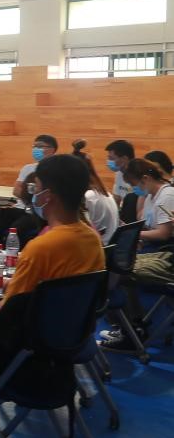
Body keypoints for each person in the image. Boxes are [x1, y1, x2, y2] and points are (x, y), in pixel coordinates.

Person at [0, 155, 106, 398]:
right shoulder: (92, 239)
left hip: (25, 345)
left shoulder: (41, 247)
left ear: (48, 195)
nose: (33, 193)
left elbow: (6, 314)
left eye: (35, 187)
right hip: (68, 335)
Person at [100, 157, 172, 352]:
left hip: (166, 253)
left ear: (145, 179)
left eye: (135, 184)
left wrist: (135, 235)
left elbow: (163, 233)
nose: (134, 189)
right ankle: (131, 327)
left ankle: (132, 331)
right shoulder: (151, 195)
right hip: (158, 250)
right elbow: (144, 222)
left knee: (120, 272)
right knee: (119, 265)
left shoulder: (167, 196)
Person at [71, 139, 118, 245]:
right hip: (107, 246)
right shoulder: (104, 192)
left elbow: (81, 233)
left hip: (101, 249)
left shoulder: (88, 197)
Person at [12, 135, 58, 202]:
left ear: (52, 149)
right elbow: (16, 191)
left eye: (40, 146)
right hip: (25, 206)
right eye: (34, 146)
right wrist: (32, 201)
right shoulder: (28, 168)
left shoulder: (59, 168)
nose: (36, 149)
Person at [105, 140, 137, 223]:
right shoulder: (119, 173)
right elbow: (116, 199)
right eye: (108, 158)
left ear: (124, 159)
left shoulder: (139, 175)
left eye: (112, 158)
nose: (108, 162)